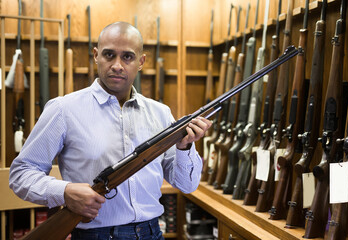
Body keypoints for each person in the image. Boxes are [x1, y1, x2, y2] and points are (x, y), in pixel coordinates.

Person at [9, 21, 212, 240]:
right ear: (96, 55)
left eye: (127, 57)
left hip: (152, 233)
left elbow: (187, 184)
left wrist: (185, 147)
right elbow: (21, 174)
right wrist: (65, 192)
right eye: (109, 55)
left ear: (141, 62)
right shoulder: (63, 109)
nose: (117, 65)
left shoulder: (161, 113)